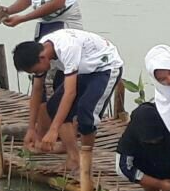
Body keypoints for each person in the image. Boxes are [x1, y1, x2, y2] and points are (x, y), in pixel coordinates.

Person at [13, 29, 123, 172]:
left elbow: (70, 93)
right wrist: (31, 128)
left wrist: (54, 130)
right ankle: (73, 158)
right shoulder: (40, 50)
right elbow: (37, 90)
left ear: (42, 58)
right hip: (82, 70)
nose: (36, 74)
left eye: (35, 71)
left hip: (105, 67)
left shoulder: (67, 48)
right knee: (54, 107)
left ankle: (85, 164)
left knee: (86, 113)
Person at [115, 102, 170, 191]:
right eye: (149, 142)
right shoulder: (131, 135)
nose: (154, 143)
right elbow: (122, 167)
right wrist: (160, 184)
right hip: (152, 165)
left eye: (156, 140)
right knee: (134, 164)